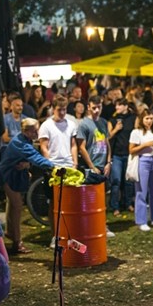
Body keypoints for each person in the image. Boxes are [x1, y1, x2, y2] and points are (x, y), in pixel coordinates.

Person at [0, 118, 55, 254]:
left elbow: (28, 159)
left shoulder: (24, 139)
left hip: (13, 175)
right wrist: (54, 166)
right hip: (9, 175)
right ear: (26, 131)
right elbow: (35, 157)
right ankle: (17, 243)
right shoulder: (20, 143)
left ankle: (10, 232)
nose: (37, 133)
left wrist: (26, 164)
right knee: (17, 206)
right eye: (35, 131)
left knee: (12, 204)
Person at [39, 95, 78, 248]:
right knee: (54, 203)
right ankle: (55, 235)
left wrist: (74, 162)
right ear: (53, 109)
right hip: (54, 166)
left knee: (70, 202)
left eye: (64, 109)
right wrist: (50, 164)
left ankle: (70, 232)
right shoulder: (46, 126)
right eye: (59, 110)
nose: (62, 113)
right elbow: (44, 146)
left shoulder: (71, 124)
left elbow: (73, 144)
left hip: (68, 164)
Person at [76, 95, 115, 238]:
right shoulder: (84, 124)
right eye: (94, 108)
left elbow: (106, 142)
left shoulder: (103, 122)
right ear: (88, 107)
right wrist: (91, 166)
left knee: (102, 197)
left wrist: (108, 162)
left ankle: (102, 225)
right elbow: (81, 147)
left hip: (103, 164)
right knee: (90, 199)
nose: (97, 110)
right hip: (91, 166)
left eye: (99, 107)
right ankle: (91, 226)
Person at [129, 109, 153, 231]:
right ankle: (141, 220)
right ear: (142, 119)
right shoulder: (136, 132)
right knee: (141, 191)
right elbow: (131, 150)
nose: (149, 121)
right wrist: (145, 145)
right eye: (147, 118)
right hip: (143, 160)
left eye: (151, 118)